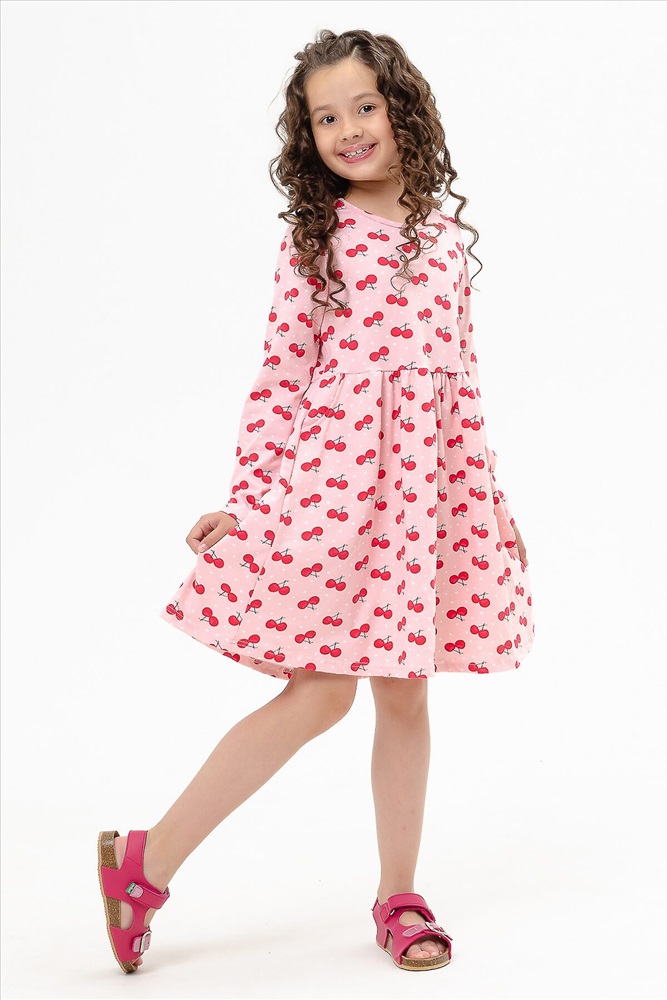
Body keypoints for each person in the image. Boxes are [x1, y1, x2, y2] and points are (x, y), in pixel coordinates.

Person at [97, 27, 535, 976]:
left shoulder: (443, 239)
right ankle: (146, 860)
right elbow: (281, 376)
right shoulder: (319, 240)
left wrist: (492, 501)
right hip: (334, 487)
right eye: (326, 118)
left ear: (403, 108)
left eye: (364, 106)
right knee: (323, 692)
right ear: (308, 137)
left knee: (406, 693)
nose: (348, 129)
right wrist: (248, 498)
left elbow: (461, 383)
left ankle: (398, 895)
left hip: (424, 494)